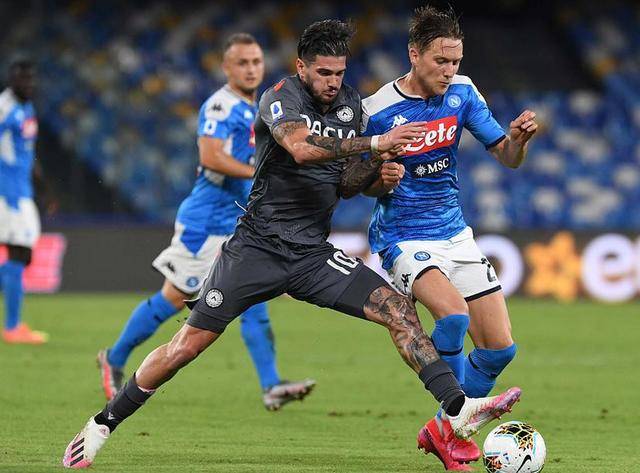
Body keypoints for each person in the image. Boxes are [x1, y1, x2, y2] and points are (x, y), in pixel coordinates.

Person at [63, 20, 521, 470]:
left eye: (339, 73)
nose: (332, 82)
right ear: (302, 67)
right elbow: (301, 149)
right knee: (186, 346)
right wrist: (377, 141)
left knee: (397, 311)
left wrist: (379, 166)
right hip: (256, 249)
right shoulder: (280, 98)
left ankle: (456, 409)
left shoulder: (352, 107)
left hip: (312, 255)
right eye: (323, 72)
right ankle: (102, 424)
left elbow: (347, 185)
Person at [96, 33, 314, 410]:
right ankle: (113, 358)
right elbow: (211, 157)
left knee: (254, 301)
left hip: (239, 224)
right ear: (226, 67)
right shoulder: (219, 106)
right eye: (242, 63)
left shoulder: (260, 106)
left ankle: (271, 384)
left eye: (256, 62)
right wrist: (259, 172)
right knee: (172, 298)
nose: (251, 69)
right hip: (206, 223)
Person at [361, 6, 538, 471]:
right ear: (414, 54)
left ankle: (442, 429)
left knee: (500, 349)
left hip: (455, 233)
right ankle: (457, 422)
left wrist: (518, 141)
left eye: (455, 61)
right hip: (403, 235)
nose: (449, 70)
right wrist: (380, 179)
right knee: (453, 316)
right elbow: (356, 181)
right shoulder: (377, 110)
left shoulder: (463, 92)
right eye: (441, 61)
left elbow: (507, 156)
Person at [0, 57, 48, 345]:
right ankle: (13, 327)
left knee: (23, 256)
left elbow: (27, 152)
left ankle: (14, 325)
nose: (28, 84)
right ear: (11, 80)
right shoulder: (4, 108)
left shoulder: (27, 108)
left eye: (31, 79)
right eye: (23, 79)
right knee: (18, 253)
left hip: (22, 191)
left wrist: (43, 188)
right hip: (7, 194)